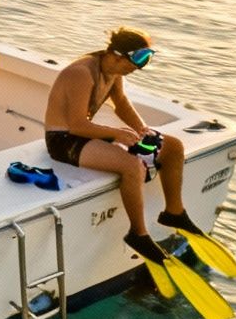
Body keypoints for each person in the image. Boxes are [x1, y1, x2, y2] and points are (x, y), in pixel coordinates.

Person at [43, 27, 199, 242]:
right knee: (132, 166)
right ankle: (138, 234)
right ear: (116, 56)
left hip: (82, 134)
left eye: (144, 61)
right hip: (63, 140)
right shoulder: (81, 73)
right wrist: (116, 134)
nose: (138, 68)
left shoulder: (113, 71)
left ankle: (174, 213)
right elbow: (76, 125)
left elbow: (122, 103)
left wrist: (142, 129)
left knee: (173, 146)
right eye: (135, 61)